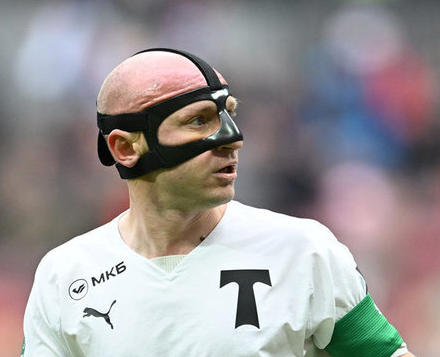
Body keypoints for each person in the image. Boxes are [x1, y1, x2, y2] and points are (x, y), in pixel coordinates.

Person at [22, 48, 416, 356]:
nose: (232, 138)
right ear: (125, 148)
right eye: (199, 120)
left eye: (229, 114)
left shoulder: (304, 251)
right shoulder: (64, 276)